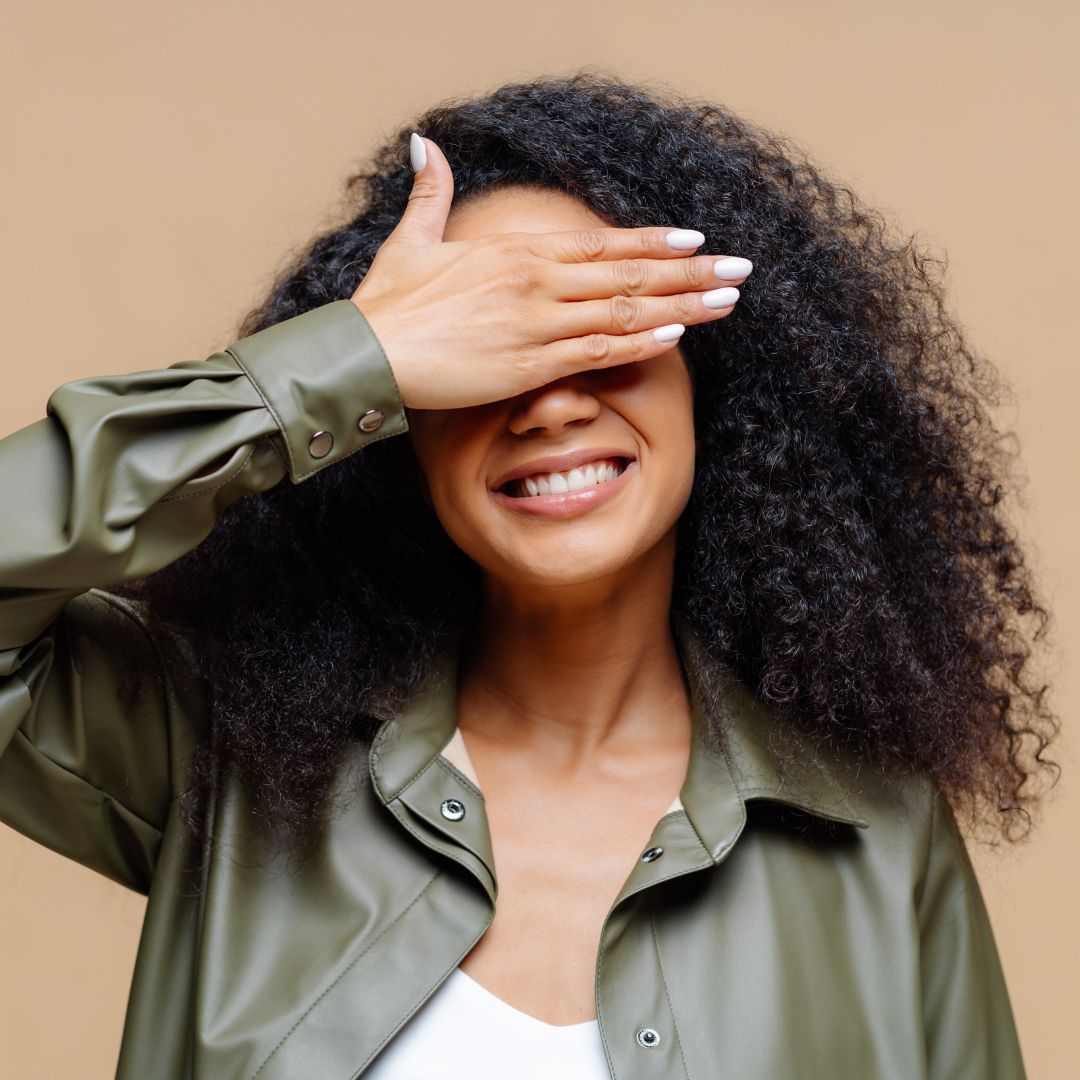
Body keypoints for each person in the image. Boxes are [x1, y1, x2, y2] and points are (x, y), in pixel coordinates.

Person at [0, 73, 1054, 1079]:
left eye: (603, 329)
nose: (548, 404)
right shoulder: (228, 751)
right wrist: (348, 359)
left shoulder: (875, 826)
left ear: (713, 384)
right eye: (486, 349)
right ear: (396, 425)